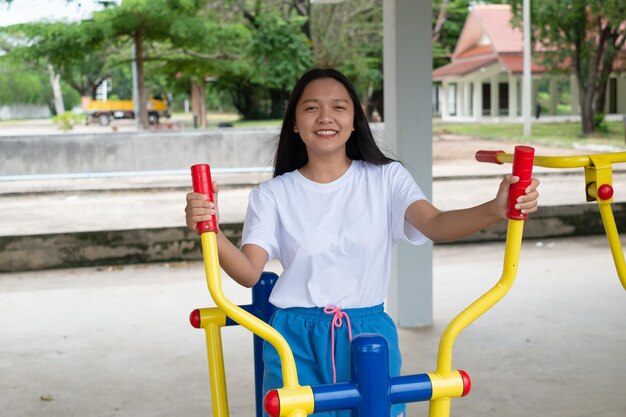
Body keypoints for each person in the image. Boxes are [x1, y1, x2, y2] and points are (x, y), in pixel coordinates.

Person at [185, 68, 539, 417]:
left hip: (369, 334)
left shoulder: (386, 178)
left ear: (356, 120)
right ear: (294, 123)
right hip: (294, 340)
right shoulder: (272, 195)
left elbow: (435, 224)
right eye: (311, 107)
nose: (326, 117)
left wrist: (495, 209)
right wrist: (210, 231)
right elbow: (248, 272)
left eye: (339, 107)